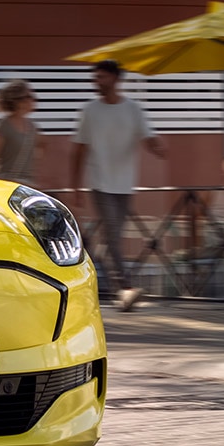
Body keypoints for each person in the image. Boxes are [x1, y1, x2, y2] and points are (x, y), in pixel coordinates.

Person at [70, 59, 166, 312]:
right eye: (95, 78)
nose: (96, 82)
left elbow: (147, 136)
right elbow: (79, 149)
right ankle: (125, 289)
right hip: (100, 182)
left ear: (115, 78)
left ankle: (96, 261)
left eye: (101, 77)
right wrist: (76, 187)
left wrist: (158, 147)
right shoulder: (90, 110)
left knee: (112, 237)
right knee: (113, 235)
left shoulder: (133, 109)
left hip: (124, 183)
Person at [0, 80, 42, 184]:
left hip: (27, 185)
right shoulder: (2, 127)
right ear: (18, 101)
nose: (33, 99)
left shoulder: (32, 127)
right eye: (29, 96)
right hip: (6, 184)